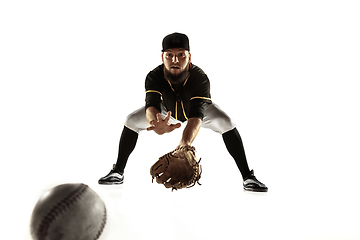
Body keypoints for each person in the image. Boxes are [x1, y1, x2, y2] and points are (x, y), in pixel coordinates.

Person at [98, 33, 268, 192]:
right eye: (169, 55)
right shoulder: (154, 76)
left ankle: (248, 177)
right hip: (166, 112)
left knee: (226, 122)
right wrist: (155, 123)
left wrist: (185, 142)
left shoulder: (199, 77)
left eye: (181, 54)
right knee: (131, 120)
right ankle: (117, 172)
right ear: (162, 57)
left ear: (189, 57)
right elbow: (151, 106)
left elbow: (196, 116)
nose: (175, 60)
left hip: (199, 111)